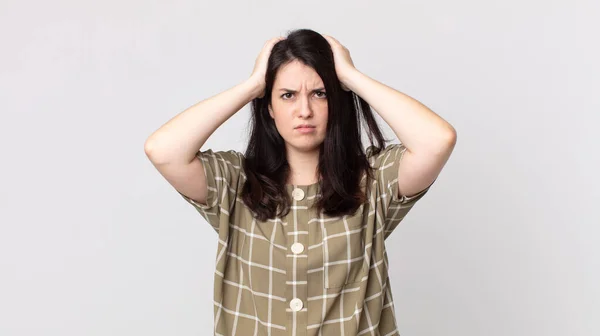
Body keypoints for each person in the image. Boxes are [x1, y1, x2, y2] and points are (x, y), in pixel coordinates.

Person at [144, 28, 456, 336]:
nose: (304, 111)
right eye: (288, 95)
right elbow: (163, 150)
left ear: (336, 102)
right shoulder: (236, 183)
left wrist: (350, 77)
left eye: (320, 94)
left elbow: (437, 141)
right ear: (269, 107)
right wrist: (252, 85)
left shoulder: (371, 182)